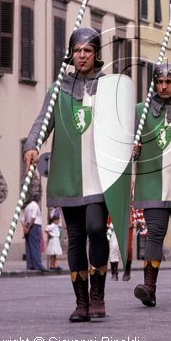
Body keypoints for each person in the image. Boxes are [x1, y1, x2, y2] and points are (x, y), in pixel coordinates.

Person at [24, 27, 113, 322]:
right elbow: (42, 121)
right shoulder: (58, 89)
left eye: (87, 50)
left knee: (96, 228)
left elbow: (122, 125)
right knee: (74, 237)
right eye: (77, 50)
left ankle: (98, 293)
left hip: (100, 174)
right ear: (71, 53)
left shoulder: (109, 87)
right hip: (68, 174)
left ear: (96, 55)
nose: (82, 55)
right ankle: (82, 302)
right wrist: (33, 144)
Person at [133, 62, 171, 307]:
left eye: (168, 82)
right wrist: (132, 147)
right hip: (153, 182)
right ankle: (150, 287)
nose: (163, 86)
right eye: (159, 81)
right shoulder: (141, 110)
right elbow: (129, 138)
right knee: (154, 234)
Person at [22, 192, 47, 272]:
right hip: (34, 226)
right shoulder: (35, 206)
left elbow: (22, 220)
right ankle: (38, 265)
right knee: (36, 246)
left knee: (29, 246)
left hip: (27, 225)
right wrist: (29, 228)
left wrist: (25, 228)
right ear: (38, 199)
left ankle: (30, 264)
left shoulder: (27, 207)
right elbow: (33, 218)